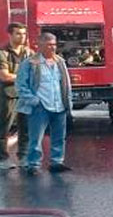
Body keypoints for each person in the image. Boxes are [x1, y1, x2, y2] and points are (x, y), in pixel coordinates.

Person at [15, 32, 72, 174]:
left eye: (54, 44)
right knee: (36, 138)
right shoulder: (30, 63)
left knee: (59, 137)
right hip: (40, 107)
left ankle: (56, 162)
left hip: (59, 105)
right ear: (39, 45)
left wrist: (68, 102)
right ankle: (33, 165)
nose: (52, 48)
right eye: (49, 45)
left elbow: (66, 84)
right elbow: (21, 85)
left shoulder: (60, 62)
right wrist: (34, 101)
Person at [1, 23, 31, 168]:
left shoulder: (29, 53)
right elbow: (5, 76)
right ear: (10, 35)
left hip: (25, 96)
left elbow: (37, 72)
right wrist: (25, 75)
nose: (22, 36)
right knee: (4, 128)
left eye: (24, 33)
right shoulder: (2, 52)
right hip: (8, 96)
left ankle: (24, 157)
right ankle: (2, 159)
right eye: (18, 33)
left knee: (25, 128)